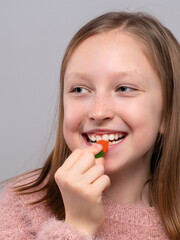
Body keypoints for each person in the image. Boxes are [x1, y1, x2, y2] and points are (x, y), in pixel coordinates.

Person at [0, 11, 179, 240]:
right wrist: (77, 226)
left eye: (124, 88)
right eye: (80, 90)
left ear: (166, 113)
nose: (98, 112)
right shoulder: (23, 204)